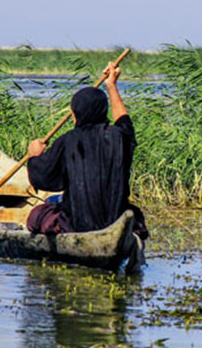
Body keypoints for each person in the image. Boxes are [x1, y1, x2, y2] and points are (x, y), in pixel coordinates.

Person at [25, 62, 147, 239]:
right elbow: (124, 121)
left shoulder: (67, 141)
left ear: (74, 115)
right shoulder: (120, 137)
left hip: (77, 226)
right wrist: (112, 85)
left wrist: (35, 157)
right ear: (104, 112)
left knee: (36, 216)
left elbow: (43, 179)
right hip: (115, 220)